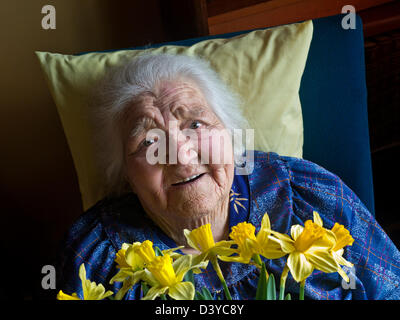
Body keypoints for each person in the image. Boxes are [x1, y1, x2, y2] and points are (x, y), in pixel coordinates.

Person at [56, 53, 400, 300]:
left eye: (195, 124)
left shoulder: (309, 196)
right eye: (148, 141)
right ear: (125, 174)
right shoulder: (95, 257)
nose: (180, 154)